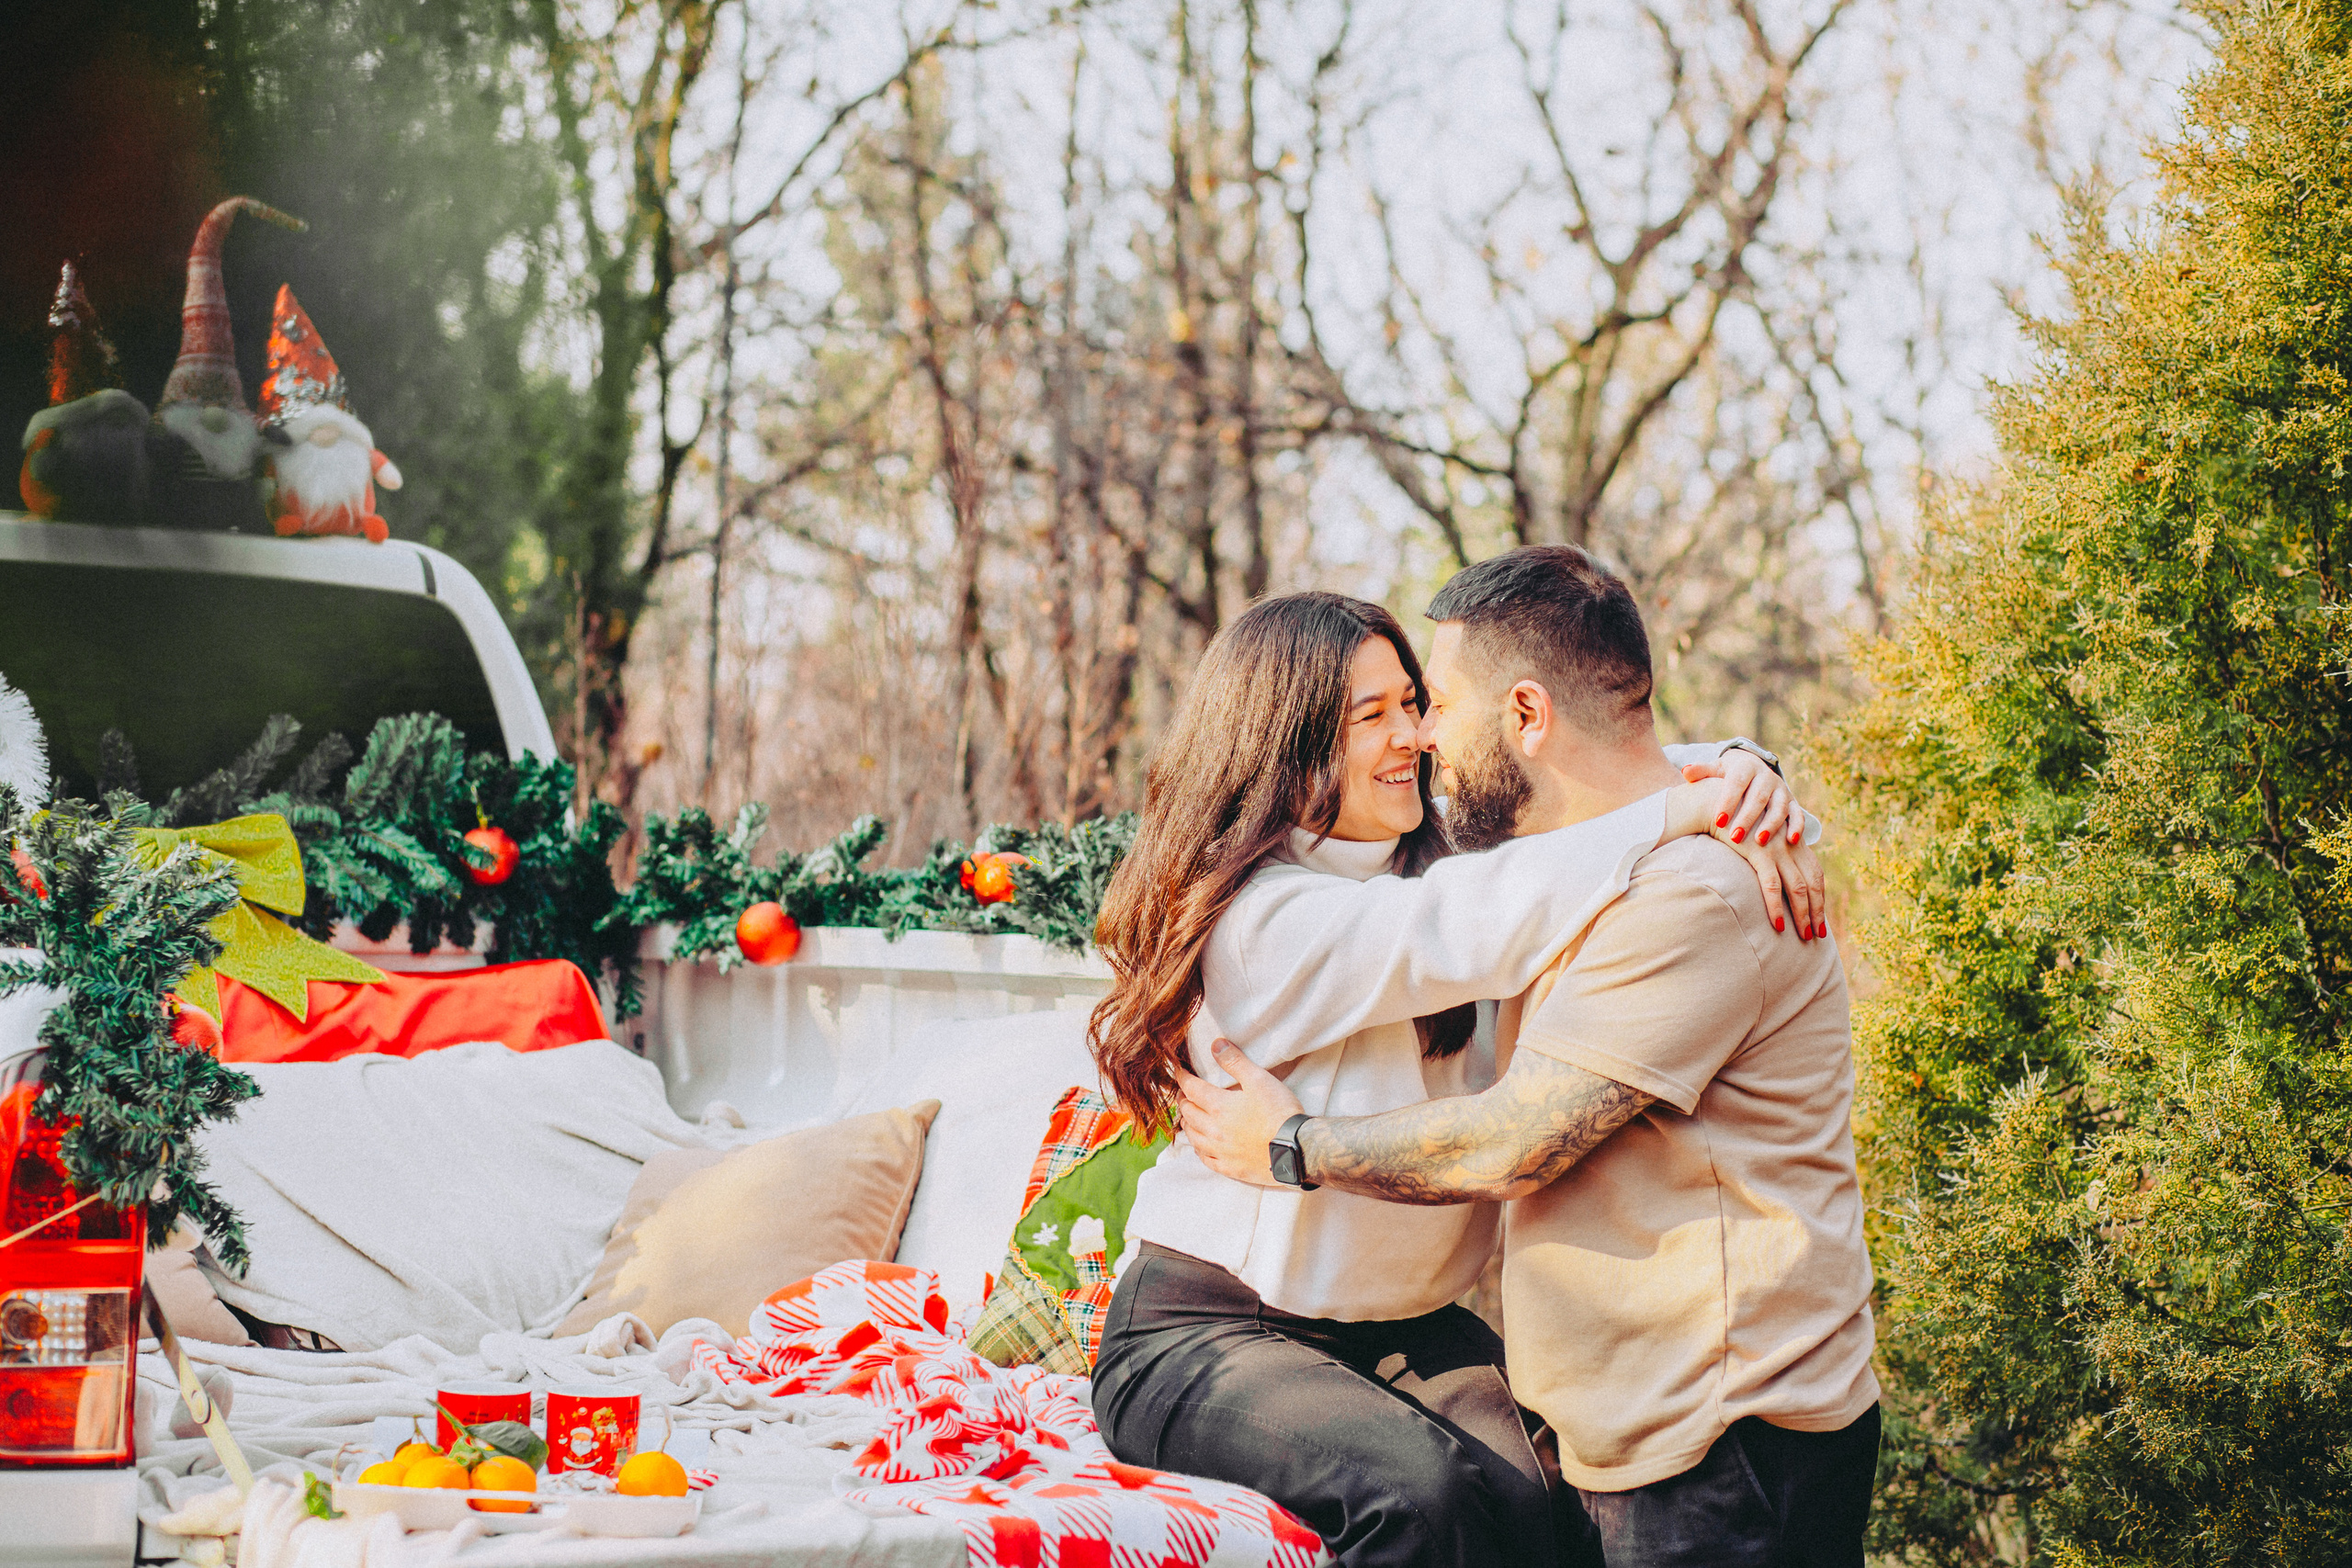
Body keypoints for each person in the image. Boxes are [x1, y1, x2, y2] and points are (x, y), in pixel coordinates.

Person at [1086, 588, 1824, 1568]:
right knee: (1417, 1497)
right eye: (1370, 717)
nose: (1413, 736)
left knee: (1552, 1496)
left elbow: (1584, 786)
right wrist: (1691, 806)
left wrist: (1739, 770)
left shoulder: (1441, 850)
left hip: (1403, 1330)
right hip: (1207, 1333)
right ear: (1287, 742)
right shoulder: (1260, 919)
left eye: (1414, 703)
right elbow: (1456, 924)